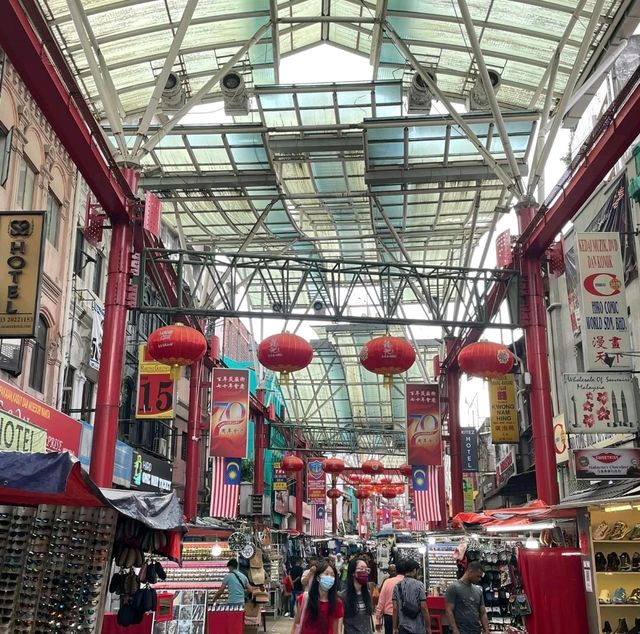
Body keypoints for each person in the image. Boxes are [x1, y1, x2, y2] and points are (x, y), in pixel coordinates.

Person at [291, 560, 344, 634]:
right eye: (326, 574)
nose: (329, 577)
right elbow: (296, 624)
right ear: (318, 578)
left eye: (332, 575)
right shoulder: (304, 599)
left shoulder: (337, 603)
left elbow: (337, 630)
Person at [444, 561, 490, 634]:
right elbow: (449, 611)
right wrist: (455, 630)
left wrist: (486, 630)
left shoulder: (478, 591)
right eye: (478, 576)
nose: (479, 579)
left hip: (475, 630)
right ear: (470, 571)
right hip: (460, 630)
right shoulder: (454, 588)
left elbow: (483, 613)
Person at [392, 559, 430, 634]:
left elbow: (395, 609)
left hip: (403, 627)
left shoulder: (397, 586)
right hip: (418, 627)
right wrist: (428, 627)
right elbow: (424, 607)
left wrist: (394, 627)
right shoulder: (420, 585)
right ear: (414, 570)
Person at [341, 557, 375, 634]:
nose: (365, 572)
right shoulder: (343, 597)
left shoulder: (367, 594)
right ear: (353, 572)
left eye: (366, 569)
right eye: (361, 568)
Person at [375, 564, 403, 634]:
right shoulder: (405, 581)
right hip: (399, 615)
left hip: (391, 615)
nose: (393, 572)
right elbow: (381, 600)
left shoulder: (387, 582)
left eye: (394, 571)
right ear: (388, 571)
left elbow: (381, 600)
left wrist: (378, 619)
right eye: (391, 571)